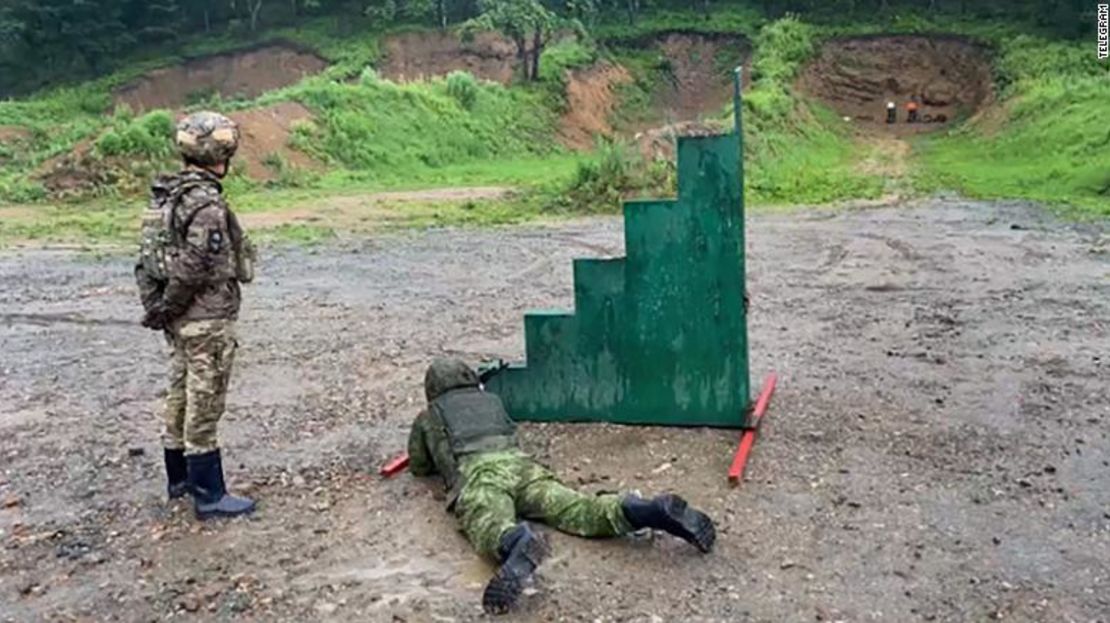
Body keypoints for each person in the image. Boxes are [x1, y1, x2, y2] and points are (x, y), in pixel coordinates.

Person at [407, 358, 716, 615]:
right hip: (524, 467)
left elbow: (420, 466)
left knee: (488, 522)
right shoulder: (491, 401)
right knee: (577, 508)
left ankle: (516, 541)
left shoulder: (429, 415)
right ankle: (642, 509)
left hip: (480, 474)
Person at [135, 111, 257, 520]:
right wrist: (169, 305)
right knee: (204, 400)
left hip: (179, 318)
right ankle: (209, 493)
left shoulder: (166, 195)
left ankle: (180, 480)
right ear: (221, 154)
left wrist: (159, 308)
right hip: (204, 317)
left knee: (181, 392)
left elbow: (147, 259)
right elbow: (196, 263)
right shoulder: (204, 203)